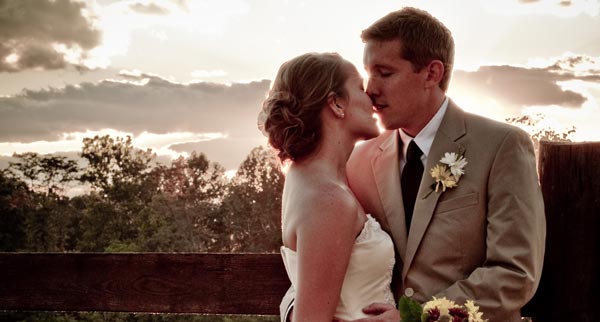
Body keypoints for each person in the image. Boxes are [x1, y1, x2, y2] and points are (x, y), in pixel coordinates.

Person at [344, 7, 546, 322]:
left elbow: (515, 273)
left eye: (384, 73)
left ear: (432, 73)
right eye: (368, 73)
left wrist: (415, 316)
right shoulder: (359, 159)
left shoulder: (502, 146)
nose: (370, 89)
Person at [260, 53, 398, 321]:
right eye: (359, 87)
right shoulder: (328, 199)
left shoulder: (304, 175)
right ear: (335, 103)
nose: (370, 95)